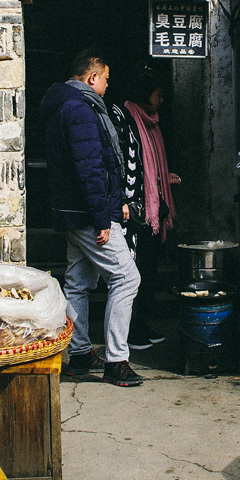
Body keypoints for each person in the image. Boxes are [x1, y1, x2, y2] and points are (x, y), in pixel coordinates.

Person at [40, 50, 143, 387]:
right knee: (127, 278)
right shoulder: (80, 109)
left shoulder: (65, 104)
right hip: (87, 215)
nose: (107, 87)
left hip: (75, 212)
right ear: (92, 77)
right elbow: (90, 168)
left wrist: (116, 205)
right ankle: (117, 360)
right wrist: (103, 217)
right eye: (106, 80)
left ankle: (80, 354)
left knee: (78, 283)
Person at [111, 64, 180, 351]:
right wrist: (123, 200)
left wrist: (163, 179)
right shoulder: (123, 118)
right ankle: (133, 332)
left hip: (153, 208)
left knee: (149, 271)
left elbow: (151, 166)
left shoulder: (151, 122)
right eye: (157, 94)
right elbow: (121, 163)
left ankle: (142, 325)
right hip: (134, 212)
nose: (161, 100)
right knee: (135, 273)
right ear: (143, 93)